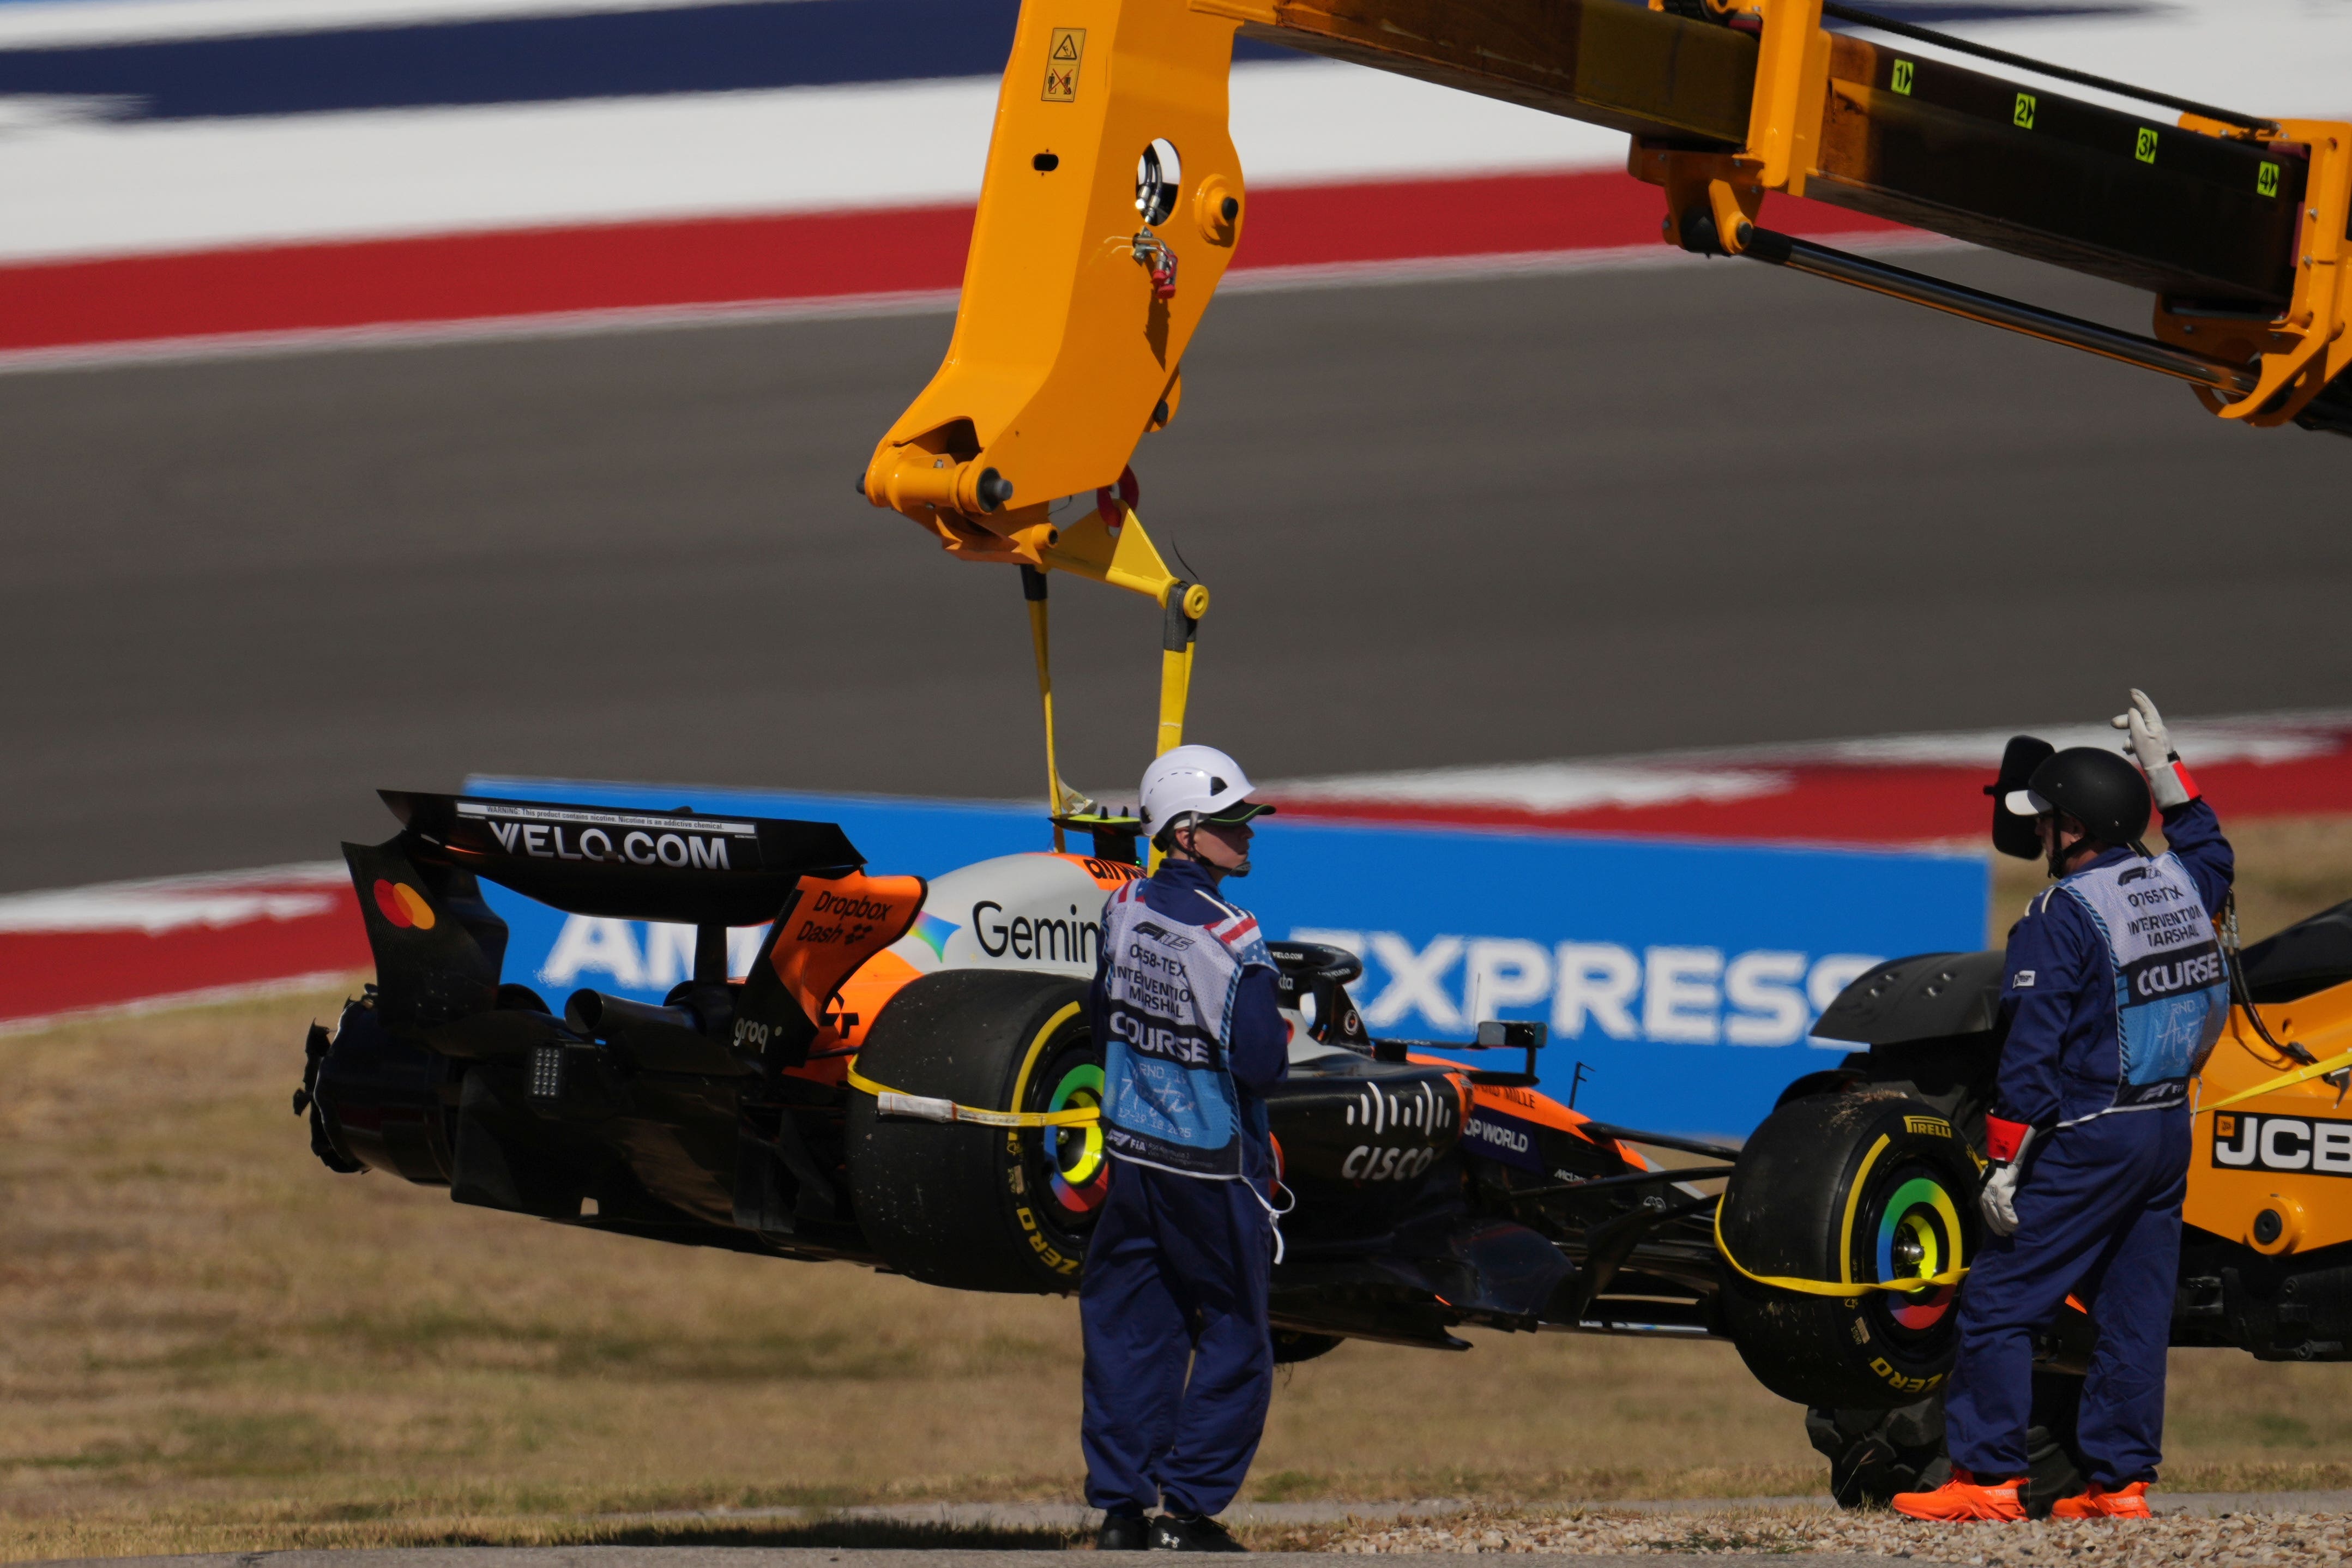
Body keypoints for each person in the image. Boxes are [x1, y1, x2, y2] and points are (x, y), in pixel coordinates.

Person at [1894, 691, 2233, 1523]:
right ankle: (2119, 1488)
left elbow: (2029, 1055)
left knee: (2000, 1301)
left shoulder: (2057, 916)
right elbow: (2207, 843)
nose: (2038, 834)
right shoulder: (2183, 881)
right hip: (2164, 1132)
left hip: (2090, 1138)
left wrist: (2005, 1163)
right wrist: (2167, 771)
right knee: (2131, 1313)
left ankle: (1986, 1482)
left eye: (2045, 821)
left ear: (2073, 829)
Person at [1082, 744, 1290, 1552]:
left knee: (1132, 1325)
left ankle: (1120, 1513)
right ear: (1184, 833)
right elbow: (1262, 1065)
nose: (1248, 835)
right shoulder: (1236, 939)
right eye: (1231, 823)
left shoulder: (1121, 909)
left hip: (1131, 1153)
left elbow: (1103, 1016)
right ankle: (1190, 1512)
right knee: (1237, 1330)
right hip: (1212, 1164)